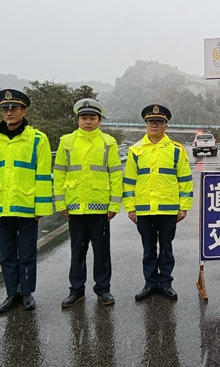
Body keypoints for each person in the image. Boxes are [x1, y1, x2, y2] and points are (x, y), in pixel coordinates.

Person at [0, 89, 53, 313]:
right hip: (0, 206)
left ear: (23, 111)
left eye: (13, 108)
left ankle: (27, 293)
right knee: (7, 254)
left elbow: (42, 175)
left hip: (27, 206)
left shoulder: (37, 139)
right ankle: (12, 294)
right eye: (5, 109)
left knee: (27, 253)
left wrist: (41, 206)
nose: (9, 112)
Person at [54, 99, 123, 308]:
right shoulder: (66, 141)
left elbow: (115, 174)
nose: (88, 122)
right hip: (75, 207)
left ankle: (103, 289)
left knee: (101, 251)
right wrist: (60, 203)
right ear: (78, 120)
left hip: (100, 207)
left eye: (92, 118)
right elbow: (59, 173)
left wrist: (114, 205)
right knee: (77, 251)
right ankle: (76, 290)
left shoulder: (108, 142)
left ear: (99, 120)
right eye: (84, 118)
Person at [123, 104, 193, 301]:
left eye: (159, 122)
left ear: (166, 125)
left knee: (166, 248)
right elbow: (129, 181)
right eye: (151, 122)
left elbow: (185, 180)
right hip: (144, 209)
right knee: (148, 249)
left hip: (168, 209)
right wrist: (130, 207)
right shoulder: (135, 150)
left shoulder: (176, 150)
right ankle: (150, 284)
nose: (154, 125)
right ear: (146, 124)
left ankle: (165, 283)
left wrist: (184, 206)